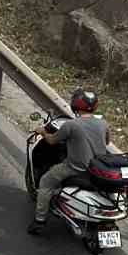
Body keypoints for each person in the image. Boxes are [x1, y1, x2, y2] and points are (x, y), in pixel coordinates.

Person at [32, 88, 119, 234]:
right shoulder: (103, 123)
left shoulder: (71, 125)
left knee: (46, 182)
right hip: (97, 169)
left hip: (74, 168)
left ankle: (39, 220)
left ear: (75, 105)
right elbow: (107, 141)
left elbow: (52, 141)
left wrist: (43, 131)